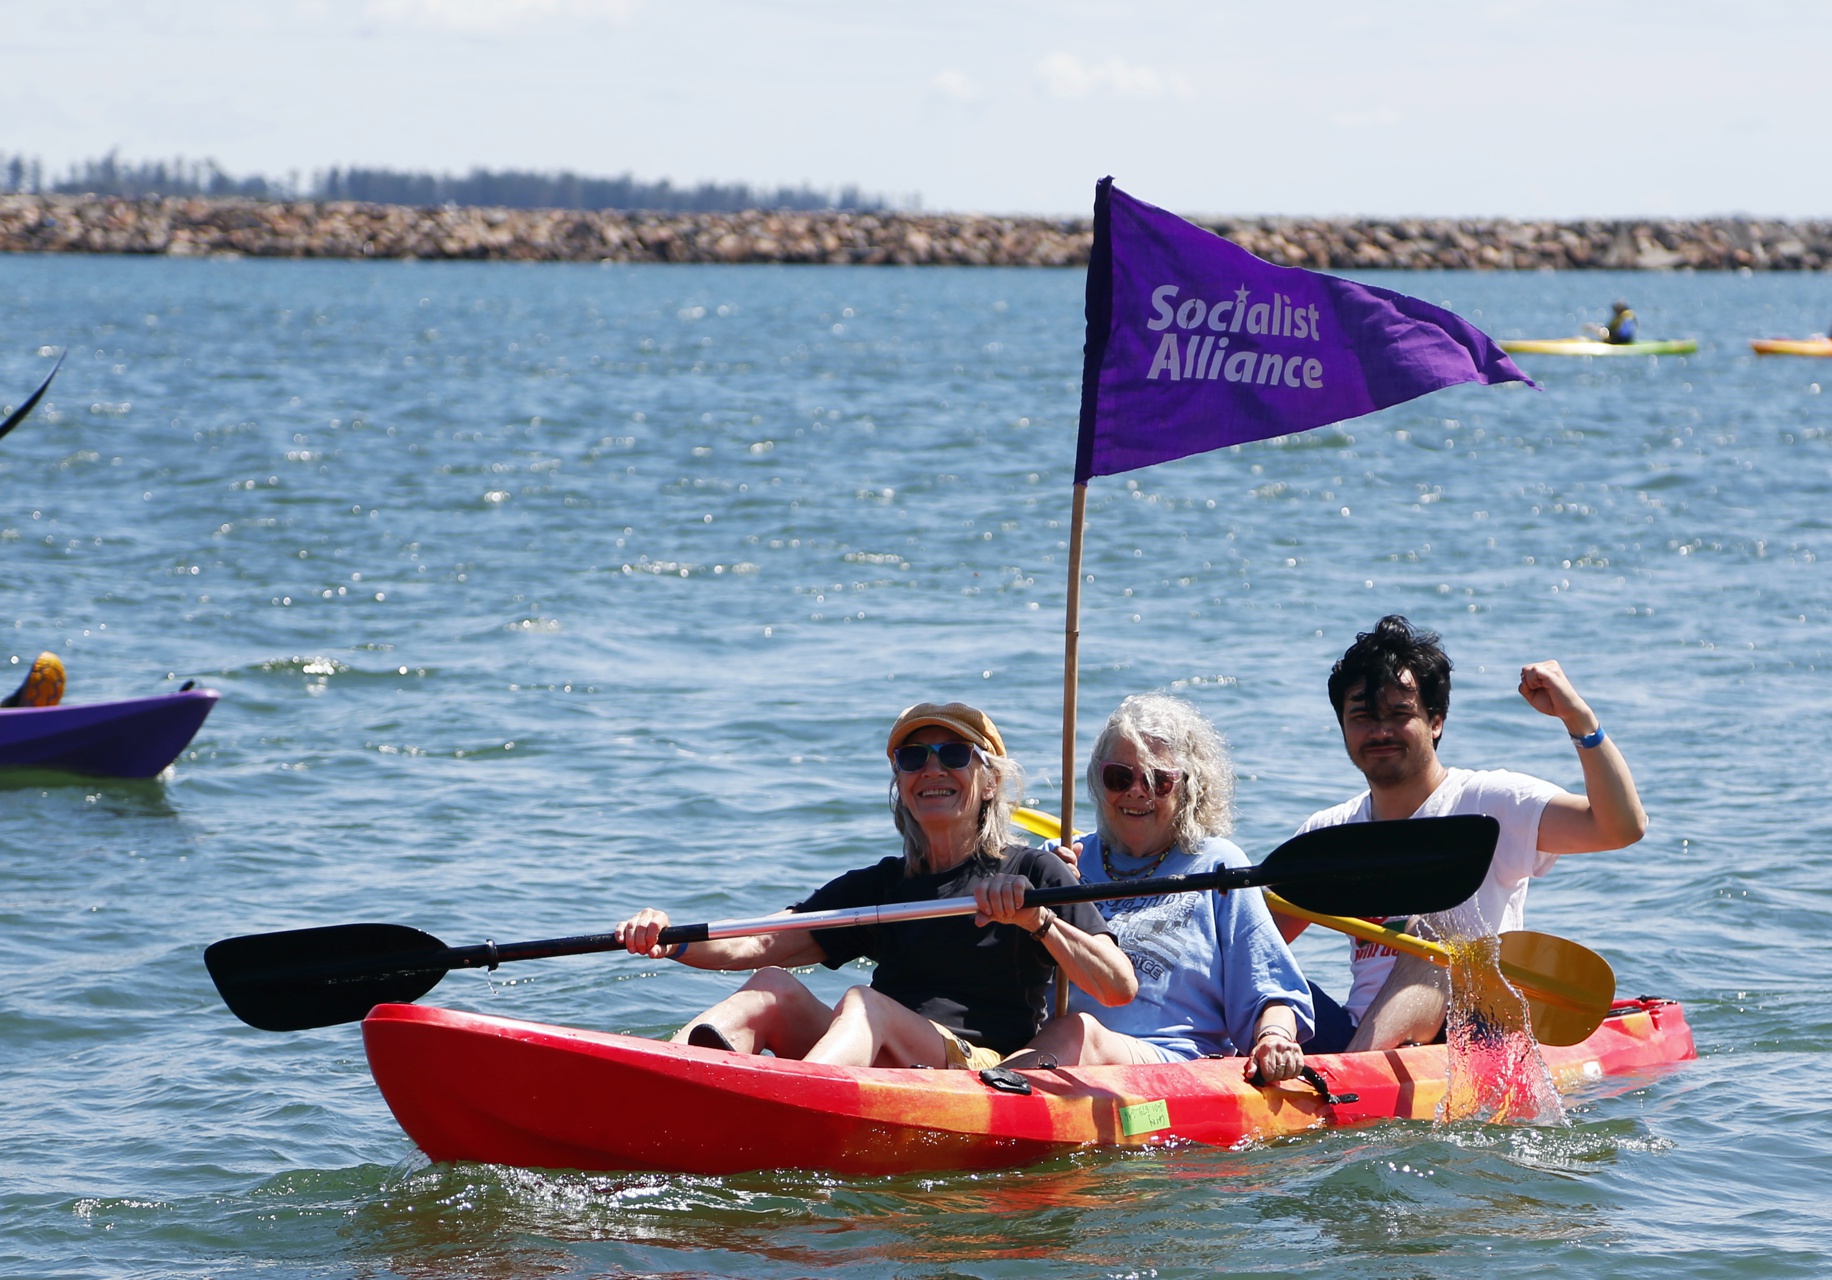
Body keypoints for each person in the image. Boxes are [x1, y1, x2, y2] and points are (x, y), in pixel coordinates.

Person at [615, 701, 1136, 1069]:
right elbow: (762, 940)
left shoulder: (1034, 872)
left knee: (866, 1003)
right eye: (914, 758)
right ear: (902, 784)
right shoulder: (881, 885)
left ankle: (801, 1109)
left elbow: (1118, 987)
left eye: (954, 754)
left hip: (976, 1067)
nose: (932, 768)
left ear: (990, 782)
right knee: (772, 986)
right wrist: (671, 937)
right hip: (878, 1048)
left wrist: (1037, 920)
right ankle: (665, 1080)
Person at [1285, 616, 1647, 1053]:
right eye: (1362, 717)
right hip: (1359, 1034)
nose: (1380, 732)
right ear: (1343, 727)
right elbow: (1254, 939)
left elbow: (1620, 827)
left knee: (1441, 934)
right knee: (1245, 965)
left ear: (1435, 722)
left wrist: (1578, 718)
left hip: (1470, 1034)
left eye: (1400, 715)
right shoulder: (1328, 834)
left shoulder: (1490, 804)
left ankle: (1354, 1073)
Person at [1002, 694, 1312, 1083]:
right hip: (1055, 1062)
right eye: (1119, 777)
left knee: (1081, 1031)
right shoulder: (1058, 860)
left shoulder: (1218, 865)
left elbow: (1272, 990)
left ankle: (984, 1098)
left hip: (1173, 1069)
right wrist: (1047, 891)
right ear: (1098, 779)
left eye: (1157, 780)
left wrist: (1274, 1037)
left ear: (1188, 787)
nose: (1136, 791)